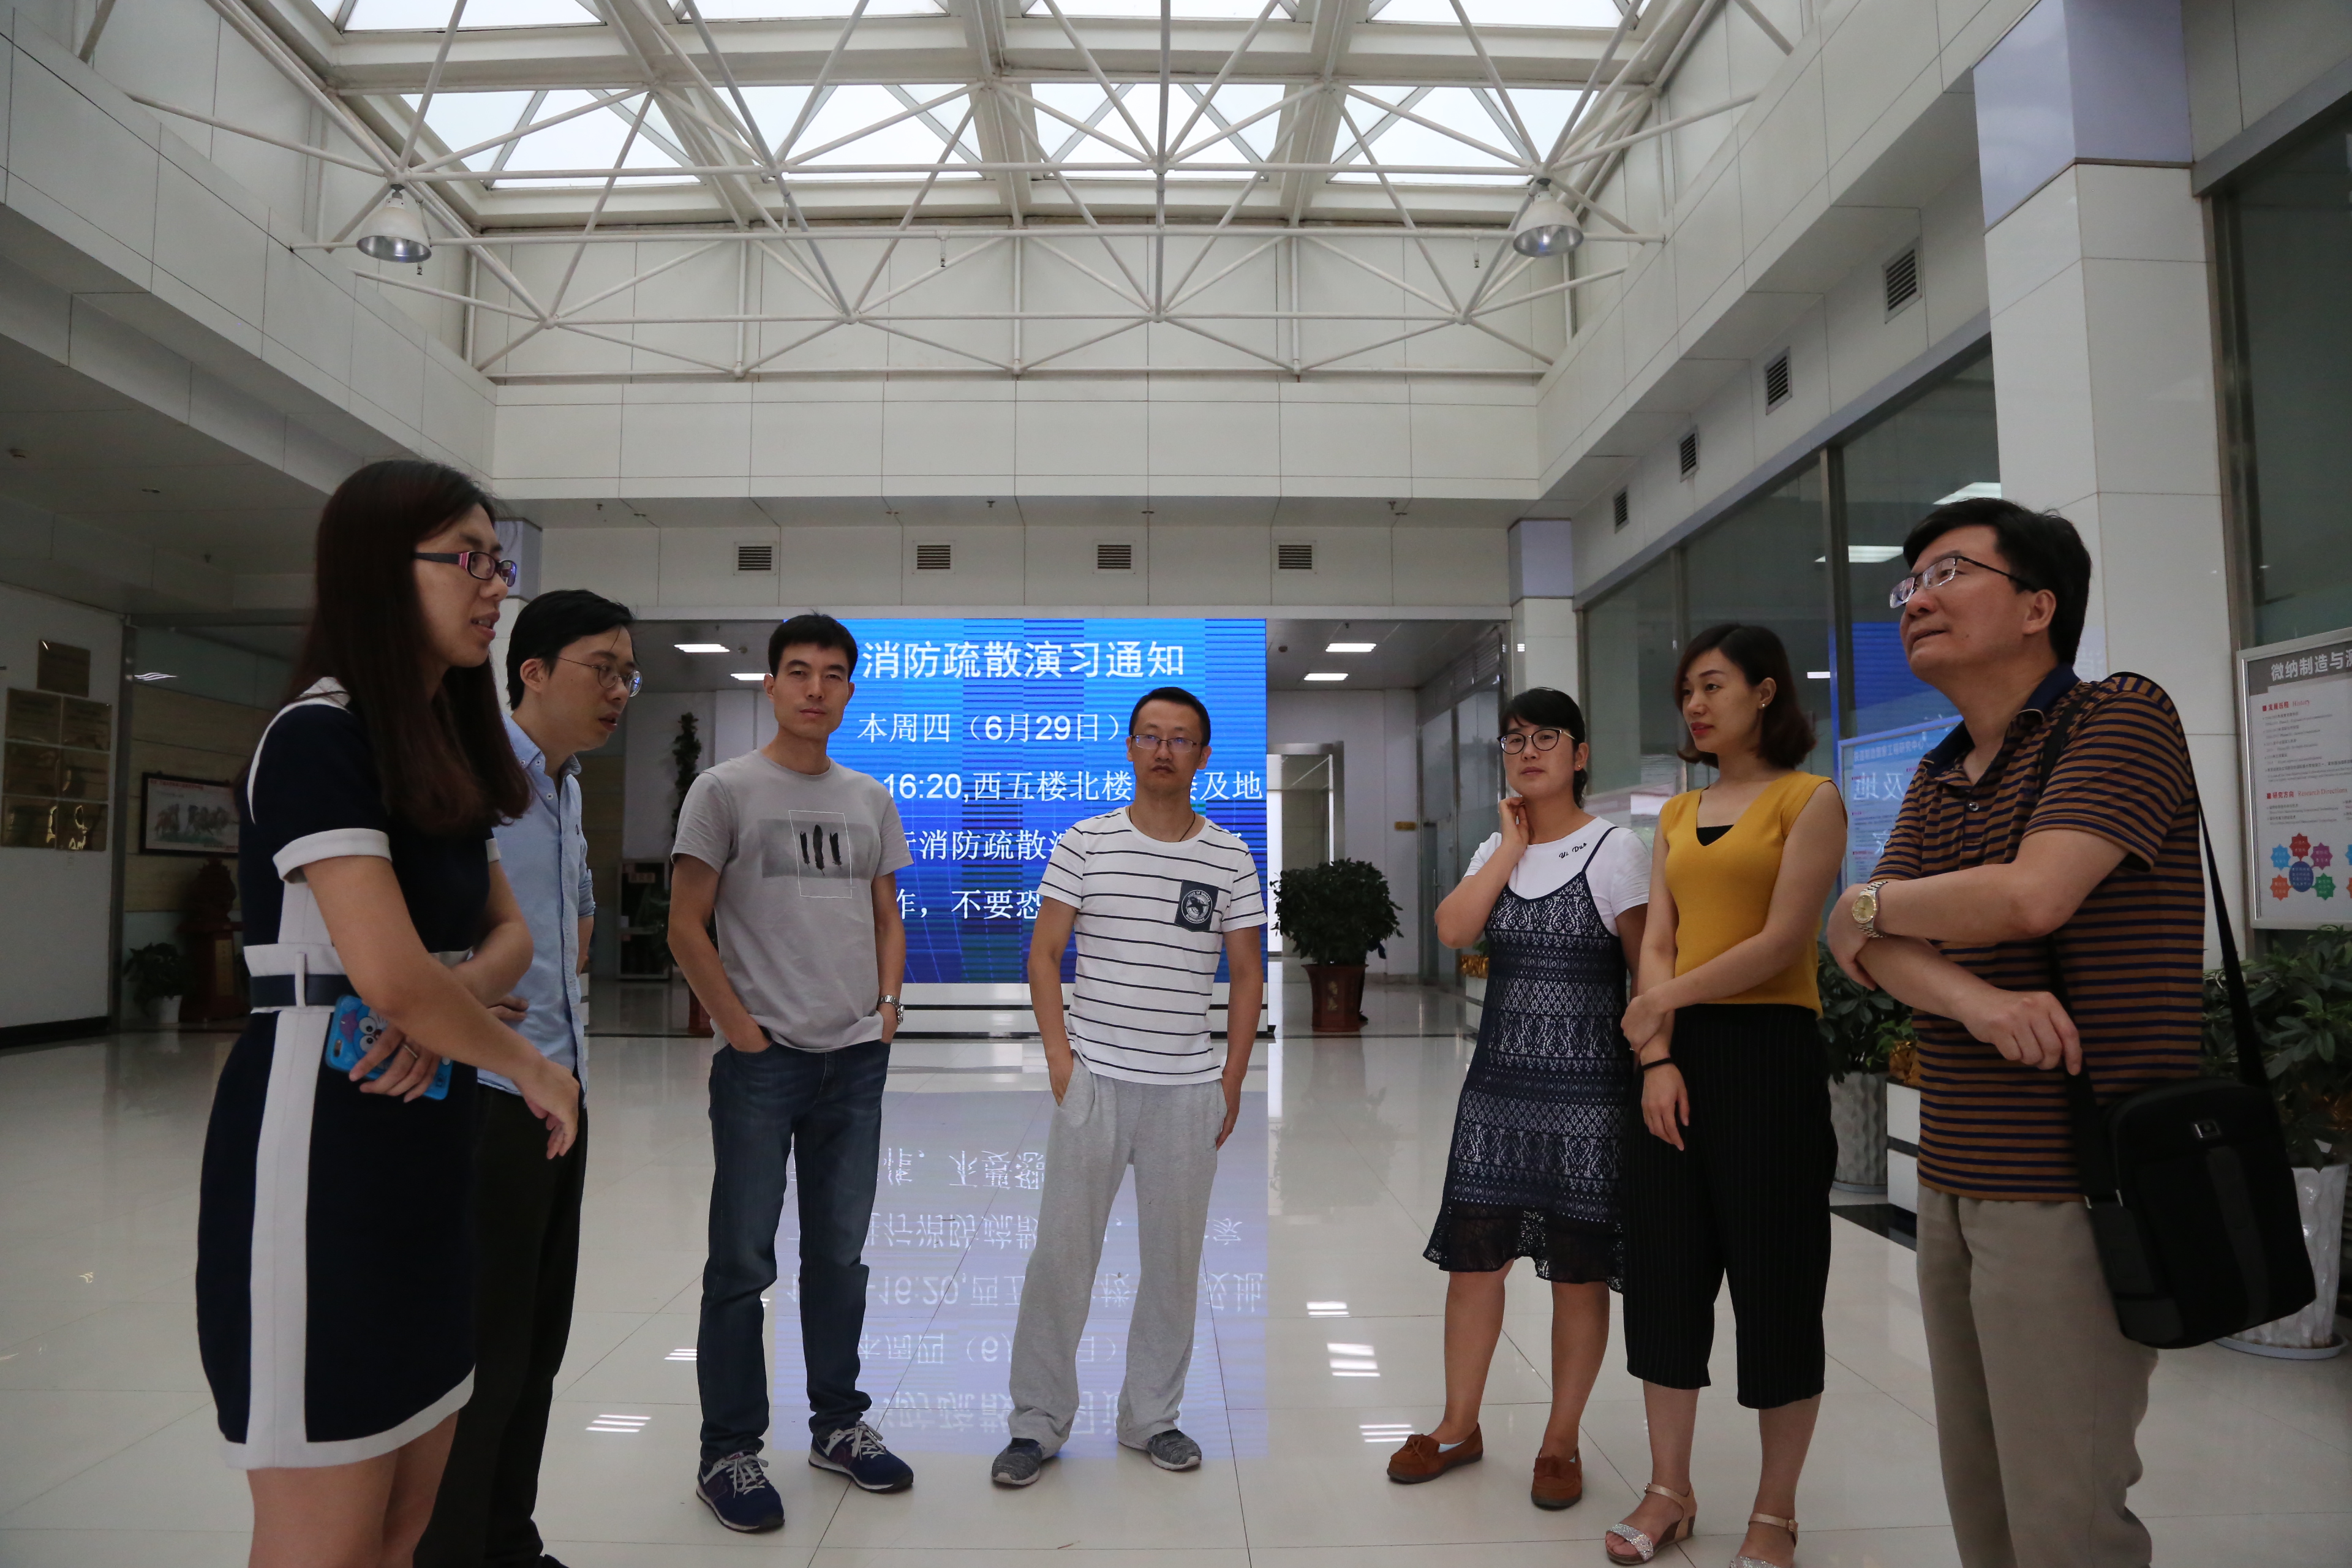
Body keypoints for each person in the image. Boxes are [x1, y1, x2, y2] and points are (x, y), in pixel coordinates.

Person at [194, 460, 581, 1568]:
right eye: (469, 559)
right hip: (322, 1152)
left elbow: (507, 940)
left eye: (498, 561)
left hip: (429, 1141)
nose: (495, 585)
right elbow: (388, 971)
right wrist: (529, 1063)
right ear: (378, 570)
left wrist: (424, 1009)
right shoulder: (317, 738)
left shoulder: (443, 745)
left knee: (407, 1523)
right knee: (323, 1534)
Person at [1825, 500, 2198, 1568]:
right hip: (1954, 1171)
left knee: (2063, 1508)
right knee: (1982, 1491)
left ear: (2039, 607)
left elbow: (2032, 896)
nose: (1917, 600)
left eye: (1950, 573)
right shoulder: (1943, 767)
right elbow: (1859, 948)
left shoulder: (2118, 717)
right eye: (1909, 584)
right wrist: (1977, 1003)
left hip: (2075, 1180)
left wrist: (1873, 905)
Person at [669, 612, 914, 1534]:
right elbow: (684, 924)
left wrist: (886, 1009)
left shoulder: (869, 799)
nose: (816, 688)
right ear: (769, 684)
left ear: (850, 691)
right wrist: (741, 1031)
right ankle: (728, 1451)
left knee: (839, 1256)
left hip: (854, 1060)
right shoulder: (724, 791)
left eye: (834, 674)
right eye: (799, 671)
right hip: (762, 1063)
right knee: (742, 1261)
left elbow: (886, 914)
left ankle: (838, 1426)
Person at [1608, 624, 1845, 1568]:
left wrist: (1660, 1003)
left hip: (1770, 1056)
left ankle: (1775, 1512)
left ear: (1766, 691)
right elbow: (1659, 941)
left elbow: (1784, 941)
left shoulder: (1808, 799)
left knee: (1777, 1283)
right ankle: (1669, 1489)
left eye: (1712, 686)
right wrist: (1658, 1056)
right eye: (1687, 692)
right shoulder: (1678, 812)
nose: (1695, 706)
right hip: (1675, 1057)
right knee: (1665, 1277)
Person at [989, 686, 1267, 1487]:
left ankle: (1152, 1419)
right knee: (1061, 1259)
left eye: (1180, 739)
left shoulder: (1229, 856)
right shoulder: (1085, 842)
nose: (1163, 750)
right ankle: (1037, 1423)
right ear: (1130, 747)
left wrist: (1231, 1078)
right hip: (1097, 1082)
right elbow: (1045, 955)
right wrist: (1060, 1060)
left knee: (1173, 1264)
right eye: (1149, 735)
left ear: (1203, 756)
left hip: (1187, 1090)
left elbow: (1247, 973)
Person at [1387, 687, 1647, 1511]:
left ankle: (1561, 1440)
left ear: (1580, 754)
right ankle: (1459, 1426)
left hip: (1589, 1098)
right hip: (1498, 1093)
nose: (1528, 751)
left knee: (1578, 1274)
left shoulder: (1616, 850)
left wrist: (1661, 1067)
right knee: (1474, 1263)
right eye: (1514, 740)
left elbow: (1649, 971)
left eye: (1546, 737)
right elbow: (1454, 929)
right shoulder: (1495, 850)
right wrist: (1509, 847)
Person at [417, 589, 636, 1568]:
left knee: (538, 1344)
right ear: (533, 671)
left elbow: (575, 916)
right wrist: (463, 988)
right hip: (485, 1097)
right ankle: (455, 1549)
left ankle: (508, 1538)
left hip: (559, 1092)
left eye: (628, 674)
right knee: (484, 1348)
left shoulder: (567, 784)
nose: (619, 690)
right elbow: (406, 917)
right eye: (602, 668)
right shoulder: (465, 773)